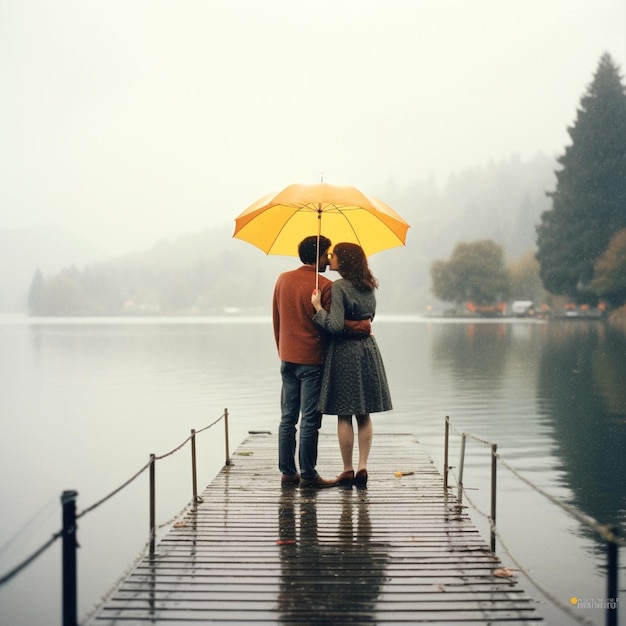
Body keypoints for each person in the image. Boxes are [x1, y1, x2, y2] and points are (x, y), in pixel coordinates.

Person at [273, 235, 369, 488]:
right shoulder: (325, 285)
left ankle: (287, 472)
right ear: (318, 255)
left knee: (287, 418)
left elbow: (277, 319)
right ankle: (308, 475)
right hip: (313, 360)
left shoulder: (282, 279)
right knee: (309, 421)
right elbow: (333, 328)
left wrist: (282, 348)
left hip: (287, 358)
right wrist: (361, 325)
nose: (329, 259)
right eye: (327, 254)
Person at [311, 242, 392, 488]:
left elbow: (334, 326)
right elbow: (369, 320)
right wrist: (360, 325)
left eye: (333, 255)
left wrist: (317, 309)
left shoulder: (339, 287)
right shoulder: (369, 286)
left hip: (345, 353)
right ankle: (363, 467)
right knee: (364, 413)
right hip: (368, 350)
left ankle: (347, 470)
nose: (330, 258)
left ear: (343, 261)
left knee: (345, 413)